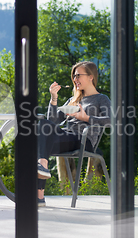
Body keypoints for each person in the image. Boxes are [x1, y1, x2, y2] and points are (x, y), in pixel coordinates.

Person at [36, 61, 111, 207]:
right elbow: (52, 121)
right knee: (41, 129)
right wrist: (54, 98)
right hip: (66, 136)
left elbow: (110, 121)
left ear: (90, 77)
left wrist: (86, 118)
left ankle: (41, 176)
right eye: (74, 77)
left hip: (84, 140)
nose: (75, 79)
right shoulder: (73, 100)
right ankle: (40, 192)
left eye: (78, 76)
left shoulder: (101, 99)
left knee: (41, 145)